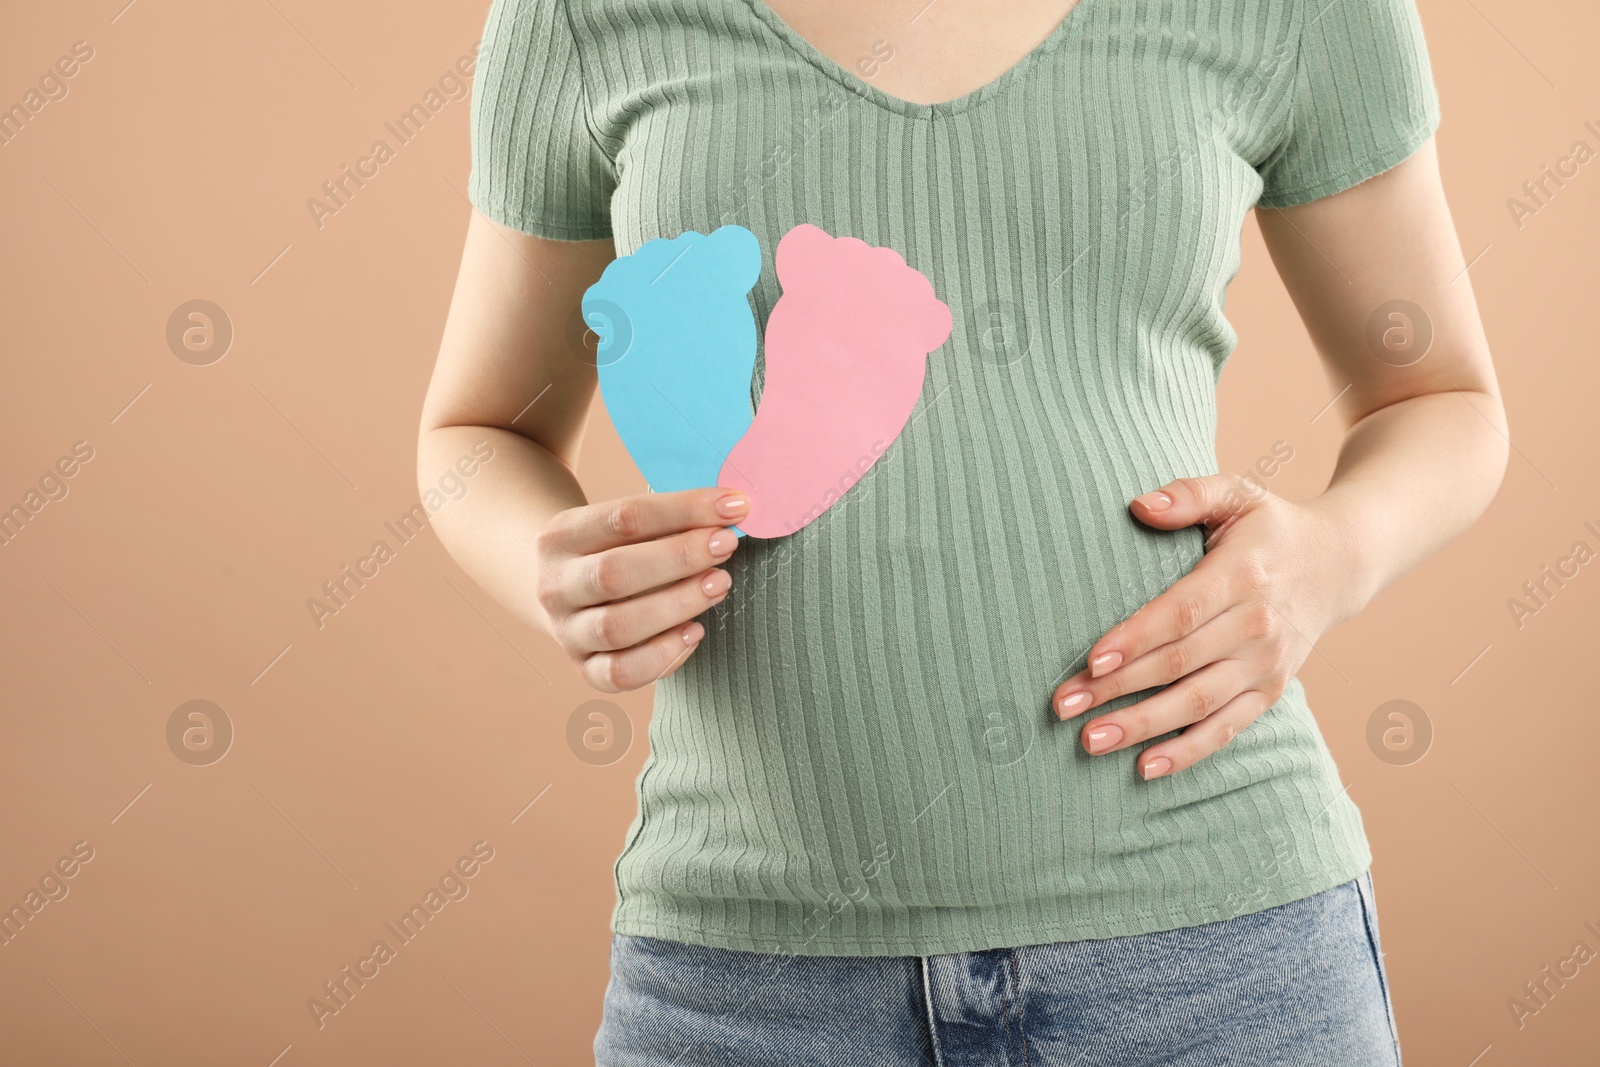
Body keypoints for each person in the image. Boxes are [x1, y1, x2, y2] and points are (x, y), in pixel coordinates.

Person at [417, 0, 1507, 1061]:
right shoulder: (576, 15)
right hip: (751, 982)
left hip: (1214, 960)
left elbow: (1438, 395)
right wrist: (549, 566)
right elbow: (475, 434)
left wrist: (1330, 558)